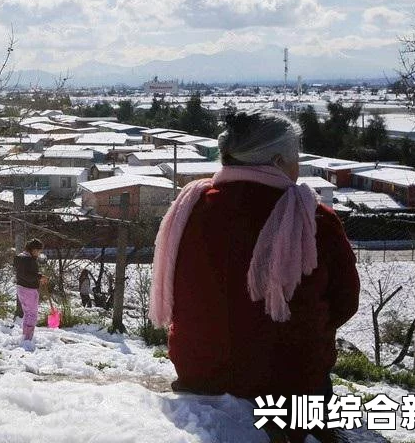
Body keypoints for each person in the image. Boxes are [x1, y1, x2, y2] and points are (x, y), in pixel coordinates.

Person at [149, 110, 360, 443]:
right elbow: (345, 303)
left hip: (200, 372)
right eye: (295, 159)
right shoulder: (313, 219)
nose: (297, 167)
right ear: (277, 160)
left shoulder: (189, 209)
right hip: (289, 384)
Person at [14, 239, 47, 344]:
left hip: (21, 288)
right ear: (32, 249)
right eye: (38, 250)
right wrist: (39, 277)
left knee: (28, 313)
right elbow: (26, 275)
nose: (39, 253)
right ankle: (28, 338)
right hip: (28, 289)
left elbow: (25, 273)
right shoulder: (28, 260)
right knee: (32, 314)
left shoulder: (21, 258)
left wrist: (38, 276)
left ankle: (26, 335)